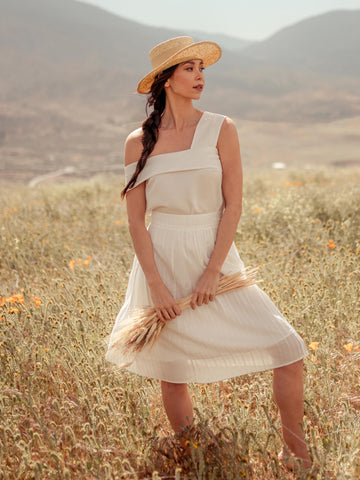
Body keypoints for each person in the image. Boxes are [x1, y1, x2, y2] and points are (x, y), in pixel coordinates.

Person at [106, 36, 311, 470]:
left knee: (289, 350)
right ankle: (193, 456)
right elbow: (135, 222)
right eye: (189, 68)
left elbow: (233, 205)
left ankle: (295, 453)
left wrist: (212, 272)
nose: (200, 76)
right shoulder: (137, 142)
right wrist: (157, 286)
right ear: (166, 80)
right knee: (173, 370)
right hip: (160, 260)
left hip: (215, 258)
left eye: (202, 68)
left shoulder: (222, 128)